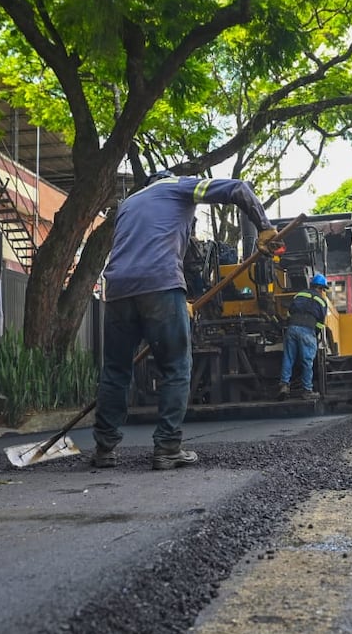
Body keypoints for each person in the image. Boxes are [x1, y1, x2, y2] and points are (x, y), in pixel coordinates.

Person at [91, 171, 277, 471]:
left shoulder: (129, 204)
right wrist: (264, 227)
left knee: (116, 370)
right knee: (176, 367)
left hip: (117, 291)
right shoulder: (180, 187)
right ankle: (167, 447)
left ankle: (104, 449)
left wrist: (184, 300)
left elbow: (165, 247)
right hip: (161, 284)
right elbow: (238, 189)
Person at [278, 273, 329, 401]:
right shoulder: (322, 301)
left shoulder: (299, 294)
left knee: (288, 357)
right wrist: (315, 334)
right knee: (307, 361)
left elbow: (290, 312)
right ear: (321, 288)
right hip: (307, 330)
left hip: (292, 328)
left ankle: (284, 385)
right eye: (323, 289)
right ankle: (307, 391)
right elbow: (320, 323)